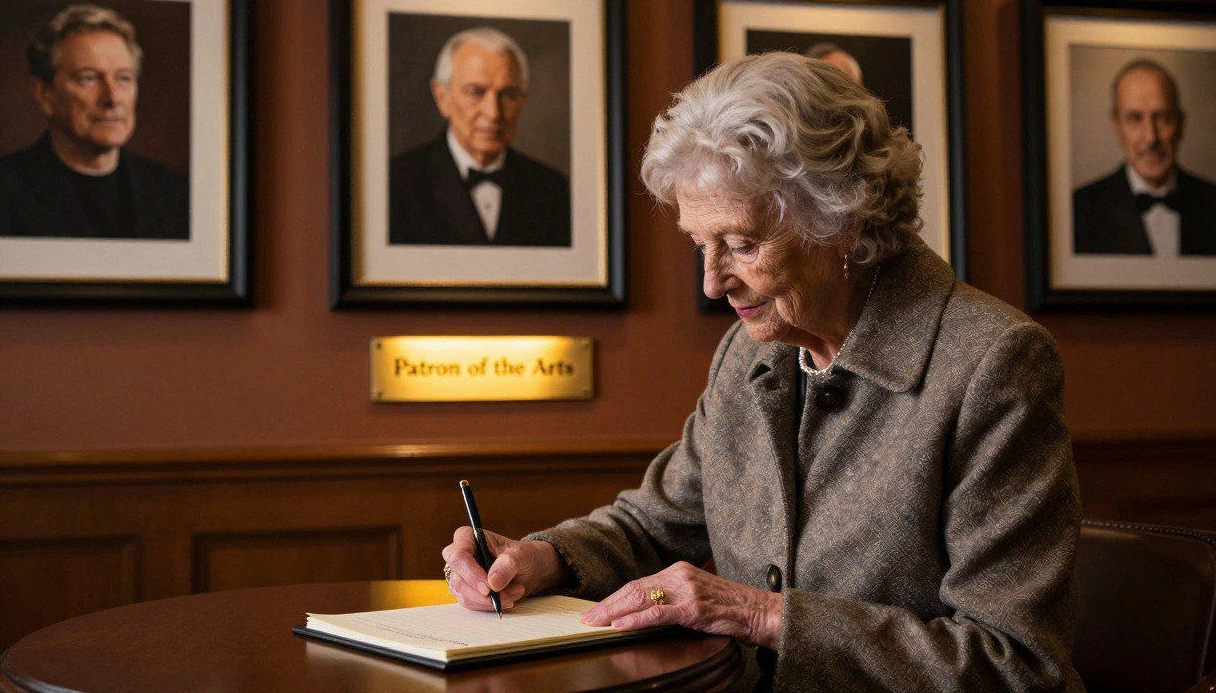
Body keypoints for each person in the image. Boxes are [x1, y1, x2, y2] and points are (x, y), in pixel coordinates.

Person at [442, 53, 1083, 691]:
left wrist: (761, 615)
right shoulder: (750, 354)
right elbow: (655, 523)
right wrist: (538, 559)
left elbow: (1018, 663)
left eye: (742, 245)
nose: (713, 281)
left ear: (842, 220)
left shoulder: (991, 364)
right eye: (701, 245)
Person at [0, 4, 189, 239]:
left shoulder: (175, 192)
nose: (112, 98)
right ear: (45, 95)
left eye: (123, 78)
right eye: (88, 78)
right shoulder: (5, 190)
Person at [389, 27, 571, 247]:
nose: (493, 113)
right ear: (442, 97)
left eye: (508, 95)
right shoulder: (395, 184)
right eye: (476, 92)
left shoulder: (553, 190)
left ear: (522, 102)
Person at [1072, 59, 1216, 256]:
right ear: (1117, 127)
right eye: (1135, 118)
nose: (1151, 137)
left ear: (1181, 125)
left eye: (1163, 118)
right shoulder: (1079, 211)